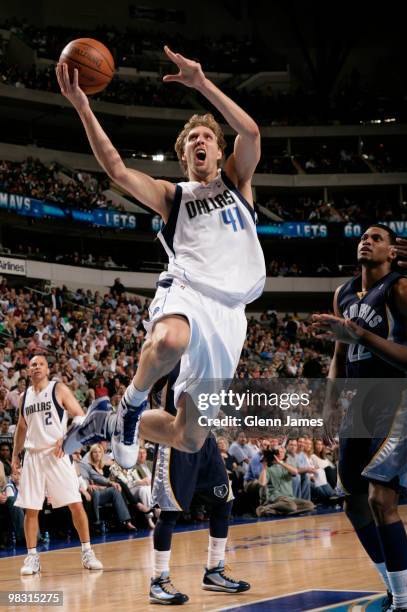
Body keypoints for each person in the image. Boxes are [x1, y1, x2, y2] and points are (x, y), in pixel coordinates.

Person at [58, 45, 266, 466]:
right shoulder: (174, 197)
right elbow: (117, 170)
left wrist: (202, 83)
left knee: (188, 437)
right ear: (184, 155)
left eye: (207, 136)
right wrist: (82, 106)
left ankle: (103, 424)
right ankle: (132, 405)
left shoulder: (237, 183)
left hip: (230, 315)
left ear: (219, 151)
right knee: (169, 339)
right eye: (193, 139)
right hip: (188, 288)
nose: (200, 140)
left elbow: (252, 133)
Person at [314, 225, 407, 612]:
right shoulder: (343, 293)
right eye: (364, 236)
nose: (367, 240)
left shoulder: (403, 291)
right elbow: (338, 354)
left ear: (393, 254)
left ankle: (405, 602)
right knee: (355, 503)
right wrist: (330, 401)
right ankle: (393, 589)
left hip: (397, 400)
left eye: (378, 238)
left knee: (383, 499)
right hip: (358, 404)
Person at [148, 373, 250, 605]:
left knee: (224, 501)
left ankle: (214, 570)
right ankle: (158, 580)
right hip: (175, 440)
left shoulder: (205, 356)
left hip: (205, 439)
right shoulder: (168, 353)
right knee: (170, 512)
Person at [12, 355, 102, 575]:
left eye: (40, 364)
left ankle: (87, 551)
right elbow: (21, 428)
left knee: (75, 503)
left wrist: (68, 437)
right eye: (32, 364)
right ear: (28, 370)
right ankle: (32, 557)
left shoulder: (58, 389)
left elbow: (81, 416)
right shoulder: (24, 397)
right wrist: (15, 455)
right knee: (30, 509)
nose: (36, 367)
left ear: (47, 368)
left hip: (57, 453)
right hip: (32, 456)